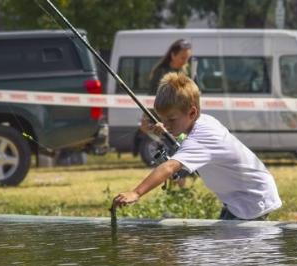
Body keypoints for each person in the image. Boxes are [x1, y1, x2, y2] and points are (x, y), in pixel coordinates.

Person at [113, 73, 282, 220]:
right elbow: (186, 138)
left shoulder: (203, 137)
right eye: (163, 119)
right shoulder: (203, 120)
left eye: (171, 120)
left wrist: (136, 192)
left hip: (252, 199)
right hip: (241, 197)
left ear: (192, 112)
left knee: (236, 250)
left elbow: (170, 167)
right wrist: (168, 131)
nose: (166, 124)